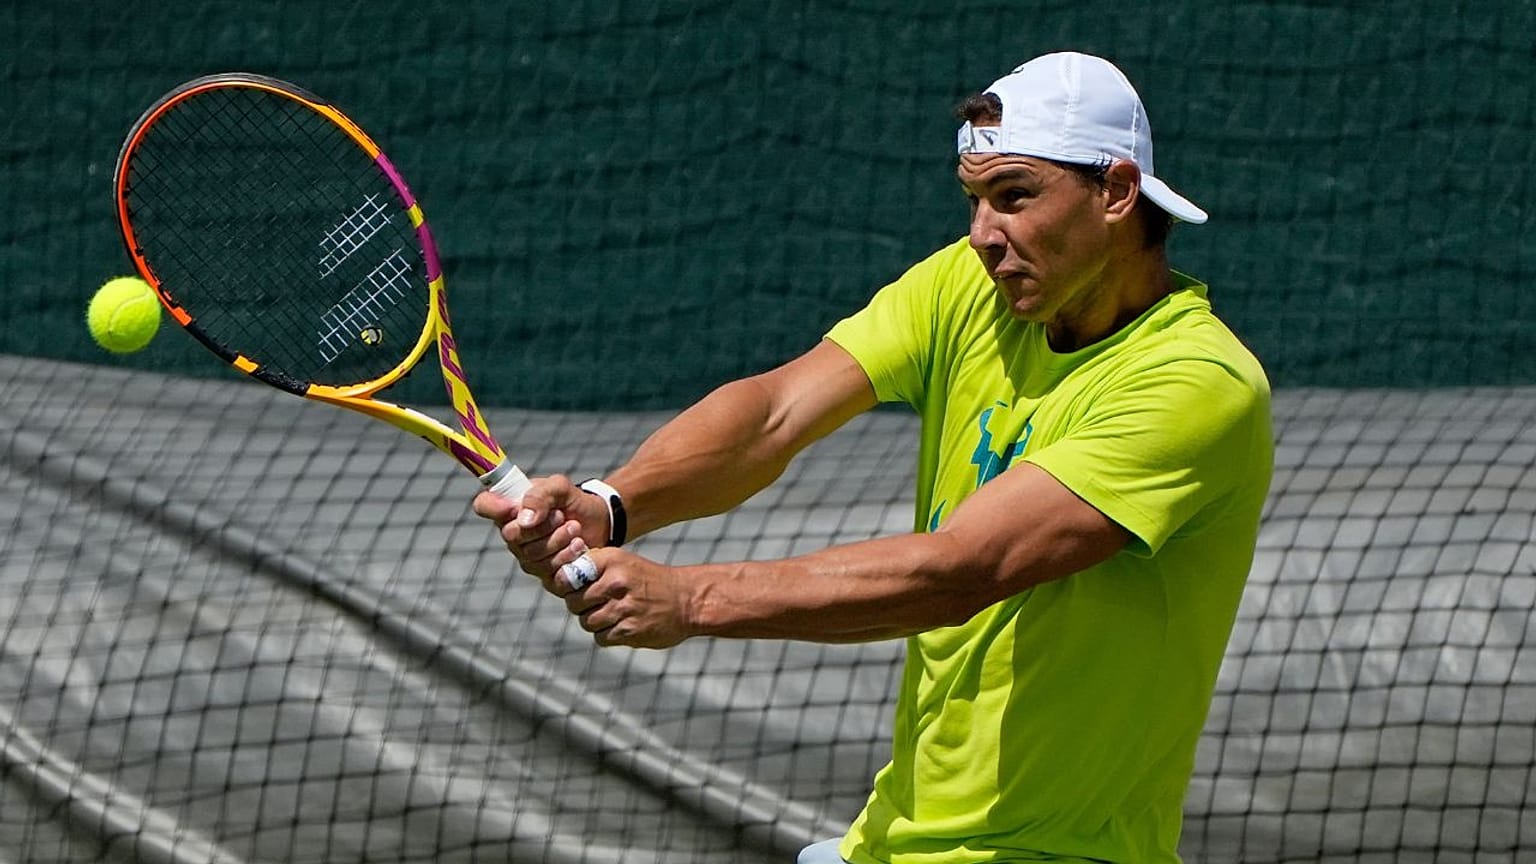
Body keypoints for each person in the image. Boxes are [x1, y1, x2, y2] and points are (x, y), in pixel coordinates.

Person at [475, 51, 1273, 864]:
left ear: (1116, 192)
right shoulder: (969, 289)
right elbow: (774, 414)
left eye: (1014, 196)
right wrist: (612, 505)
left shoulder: (1196, 384)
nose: (984, 234)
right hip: (890, 840)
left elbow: (963, 571)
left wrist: (690, 599)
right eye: (973, 200)